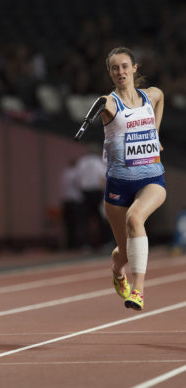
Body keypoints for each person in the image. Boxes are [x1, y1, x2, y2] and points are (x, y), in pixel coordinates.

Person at [99, 47, 166, 310]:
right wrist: (99, 104)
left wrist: (155, 133)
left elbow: (159, 97)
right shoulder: (110, 103)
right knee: (124, 253)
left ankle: (137, 291)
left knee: (135, 218)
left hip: (152, 180)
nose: (120, 72)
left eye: (125, 66)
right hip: (118, 186)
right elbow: (103, 104)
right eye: (115, 68)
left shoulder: (151, 95)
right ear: (110, 73)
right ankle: (117, 272)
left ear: (134, 68)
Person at [75, 143, 106, 249]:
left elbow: (77, 179)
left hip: (85, 192)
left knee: (85, 219)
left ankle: (86, 244)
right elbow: (102, 178)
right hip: (96, 192)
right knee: (100, 217)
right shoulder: (98, 161)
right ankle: (103, 242)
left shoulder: (82, 162)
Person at [60, 158, 83, 250]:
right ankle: (77, 244)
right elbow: (79, 185)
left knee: (68, 224)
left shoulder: (64, 173)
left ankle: (69, 244)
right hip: (75, 200)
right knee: (77, 223)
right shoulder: (76, 173)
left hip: (66, 200)